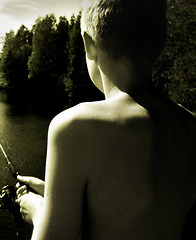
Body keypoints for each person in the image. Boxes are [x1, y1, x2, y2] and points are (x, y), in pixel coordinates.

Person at [15, 0, 196, 239]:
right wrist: (55, 197)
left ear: (89, 45)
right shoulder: (189, 125)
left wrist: (37, 210)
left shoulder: (74, 127)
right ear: (161, 41)